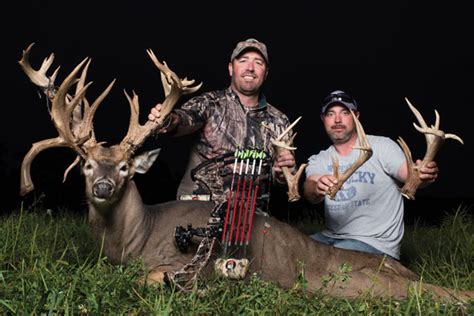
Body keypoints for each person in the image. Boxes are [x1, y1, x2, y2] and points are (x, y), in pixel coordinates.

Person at [148, 38, 296, 208]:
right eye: (243, 61)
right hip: (199, 211)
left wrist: (283, 173)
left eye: (258, 62)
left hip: (251, 216)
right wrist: (167, 119)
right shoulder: (210, 103)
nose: (250, 67)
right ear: (231, 69)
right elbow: (184, 119)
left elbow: (284, 176)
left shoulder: (279, 121)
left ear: (266, 73)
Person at [303, 90, 438, 260]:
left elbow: (410, 176)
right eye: (331, 114)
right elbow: (310, 190)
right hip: (331, 237)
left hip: (373, 243)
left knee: (323, 262)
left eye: (345, 113)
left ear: (356, 116)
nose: (337, 120)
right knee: (293, 250)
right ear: (323, 119)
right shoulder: (320, 158)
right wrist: (317, 186)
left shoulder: (382, 147)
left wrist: (423, 175)